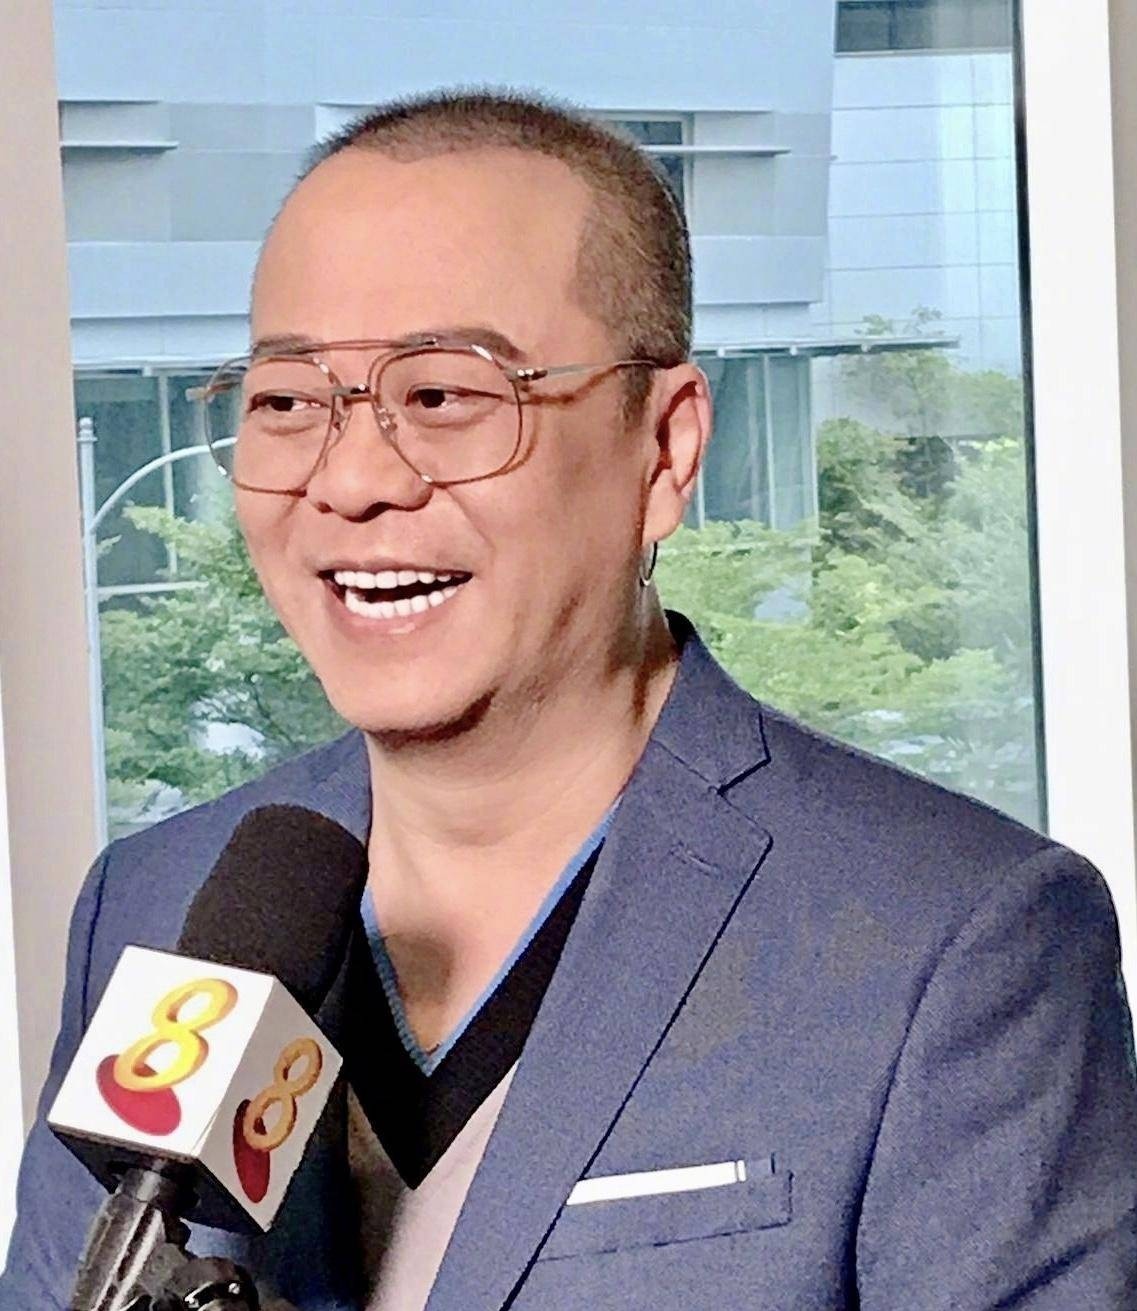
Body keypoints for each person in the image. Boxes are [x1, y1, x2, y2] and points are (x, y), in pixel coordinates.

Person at [2, 89, 1136, 1311]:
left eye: (445, 394)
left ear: (666, 449)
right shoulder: (161, 903)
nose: (352, 479)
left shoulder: (952, 938)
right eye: (286, 401)